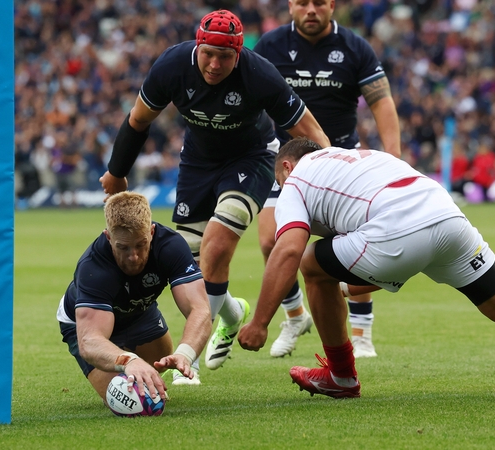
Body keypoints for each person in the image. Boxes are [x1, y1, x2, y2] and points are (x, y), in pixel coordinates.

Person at [238, 137, 495, 398]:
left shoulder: (296, 179)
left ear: (287, 168)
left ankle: (342, 377)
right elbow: (360, 273)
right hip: (446, 217)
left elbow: (285, 250)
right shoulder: (360, 158)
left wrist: (260, 322)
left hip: (396, 232)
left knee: (311, 264)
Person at [99, 10, 331, 383]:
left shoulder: (259, 74)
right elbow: (139, 119)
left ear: (239, 53)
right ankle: (231, 314)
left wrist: (338, 172)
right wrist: (116, 170)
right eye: (208, 53)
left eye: (225, 56)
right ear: (197, 45)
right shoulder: (173, 66)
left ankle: (186, 357)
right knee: (188, 268)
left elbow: (310, 130)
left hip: (252, 158)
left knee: (218, 244)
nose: (215, 63)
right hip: (197, 163)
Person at [253, 0, 401, 359]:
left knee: (352, 245)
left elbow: (381, 102)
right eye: (302, 3)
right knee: (272, 241)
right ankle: (295, 316)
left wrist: (394, 158)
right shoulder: (270, 46)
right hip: (284, 160)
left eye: (319, 2)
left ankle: (362, 333)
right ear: (291, 5)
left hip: (342, 161)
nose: (311, 10)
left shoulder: (355, 47)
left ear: (332, 5)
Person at [56, 192, 211, 409]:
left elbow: (200, 309)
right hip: (86, 324)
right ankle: (122, 357)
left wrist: (186, 353)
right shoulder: (93, 268)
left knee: (161, 361)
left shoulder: (171, 246)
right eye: (123, 247)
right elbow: (90, 340)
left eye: (141, 244)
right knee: (133, 401)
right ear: (108, 237)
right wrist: (128, 360)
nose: (134, 256)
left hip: (139, 310)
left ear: (151, 231)